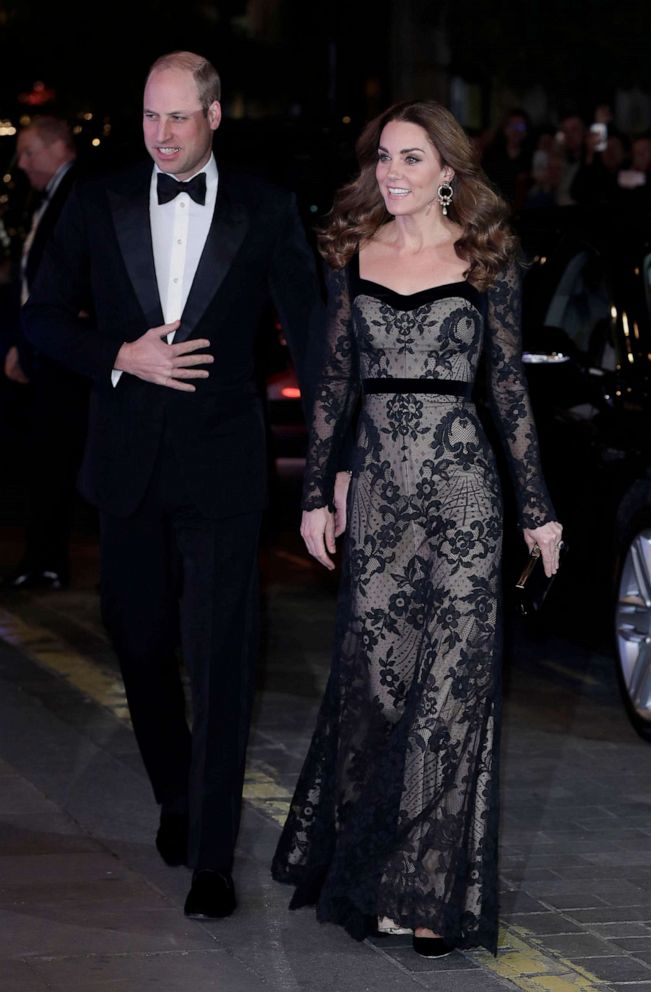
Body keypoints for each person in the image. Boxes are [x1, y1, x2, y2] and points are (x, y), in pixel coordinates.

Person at [23, 51, 322, 919]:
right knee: (140, 641)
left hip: (223, 468)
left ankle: (212, 861)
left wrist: (337, 461)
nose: (160, 136)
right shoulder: (100, 198)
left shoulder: (266, 208)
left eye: (178, 118)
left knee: (222, 657)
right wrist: (119, 353)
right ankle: (176, 796)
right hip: (126, 465)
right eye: (150, 118)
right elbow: (41, 318)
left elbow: (311, 335)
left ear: (215, 116)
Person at [271, 100, 562, 958]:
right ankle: (378, 872)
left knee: (452, 698)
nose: (390, 173)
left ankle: (430, 893)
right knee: (380, 690)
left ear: (447, 173)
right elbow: (333, 386)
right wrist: (317, 496)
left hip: (466, 500)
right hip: (383, 506)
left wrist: (538, 509)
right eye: (383, 159)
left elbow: (507, 390)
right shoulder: (352, 254)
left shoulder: (486, 259)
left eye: (409, 159)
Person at [2, 116, 86, 589]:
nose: (22, 163)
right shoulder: (47, 197)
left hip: (67, 354)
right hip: (45, 346)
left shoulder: (80, 192)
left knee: (56, 459)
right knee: (45, 459)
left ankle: (48, 561)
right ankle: (42, 558)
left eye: (29, 152)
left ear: (58, 148)